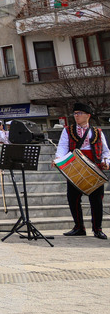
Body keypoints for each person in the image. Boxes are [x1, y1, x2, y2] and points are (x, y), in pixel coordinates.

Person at [54, 102, 110, 238]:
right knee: (73, 198)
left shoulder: (97, 132)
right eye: (75, 113)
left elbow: (105, 151)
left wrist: (106, 162)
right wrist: (58, 159)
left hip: (94, 169)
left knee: (96, 200)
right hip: (75, 167)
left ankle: (97, 229)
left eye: (79, 113)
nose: (76, 116)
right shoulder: (68, 130)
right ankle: (79, 227)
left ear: (88, 115)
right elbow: (62, 147)